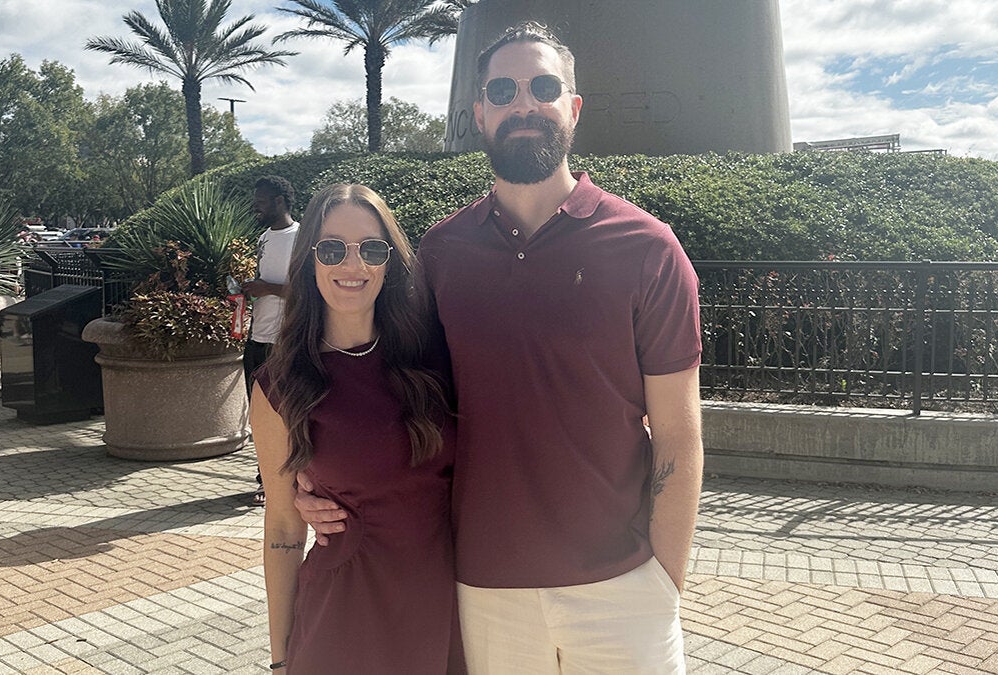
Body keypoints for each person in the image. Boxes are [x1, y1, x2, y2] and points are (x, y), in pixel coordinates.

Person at [298, 21, 704, 674]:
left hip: (622, 590)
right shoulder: (440, 254)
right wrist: (310, 474)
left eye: (543, 87)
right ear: (479, 113)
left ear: (572, 108)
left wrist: (662, 585)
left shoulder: (648, 250)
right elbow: (383, 390)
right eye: (504, 89)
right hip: (484, 591)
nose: (524, 102)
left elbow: (681, 439)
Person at [250, 183, 462, 673]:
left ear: (389, 262)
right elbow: (283, 527)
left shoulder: (434, 361)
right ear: (309, 261)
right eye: (331, 249)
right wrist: (281, 659)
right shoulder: (280, 385)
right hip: (344, 622)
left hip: (448, 610)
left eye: (370, 248)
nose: (353, 265)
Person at [244, 175, 299, 506]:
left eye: (261, 201)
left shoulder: (302, 238)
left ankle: (280, 481)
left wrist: (268, 288)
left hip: (286, 340)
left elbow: (311, 290)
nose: (256, 207)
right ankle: (265, 475)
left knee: (285, 413)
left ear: (279, 201)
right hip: (257, 337)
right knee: (260, 414)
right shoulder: (263, 238)